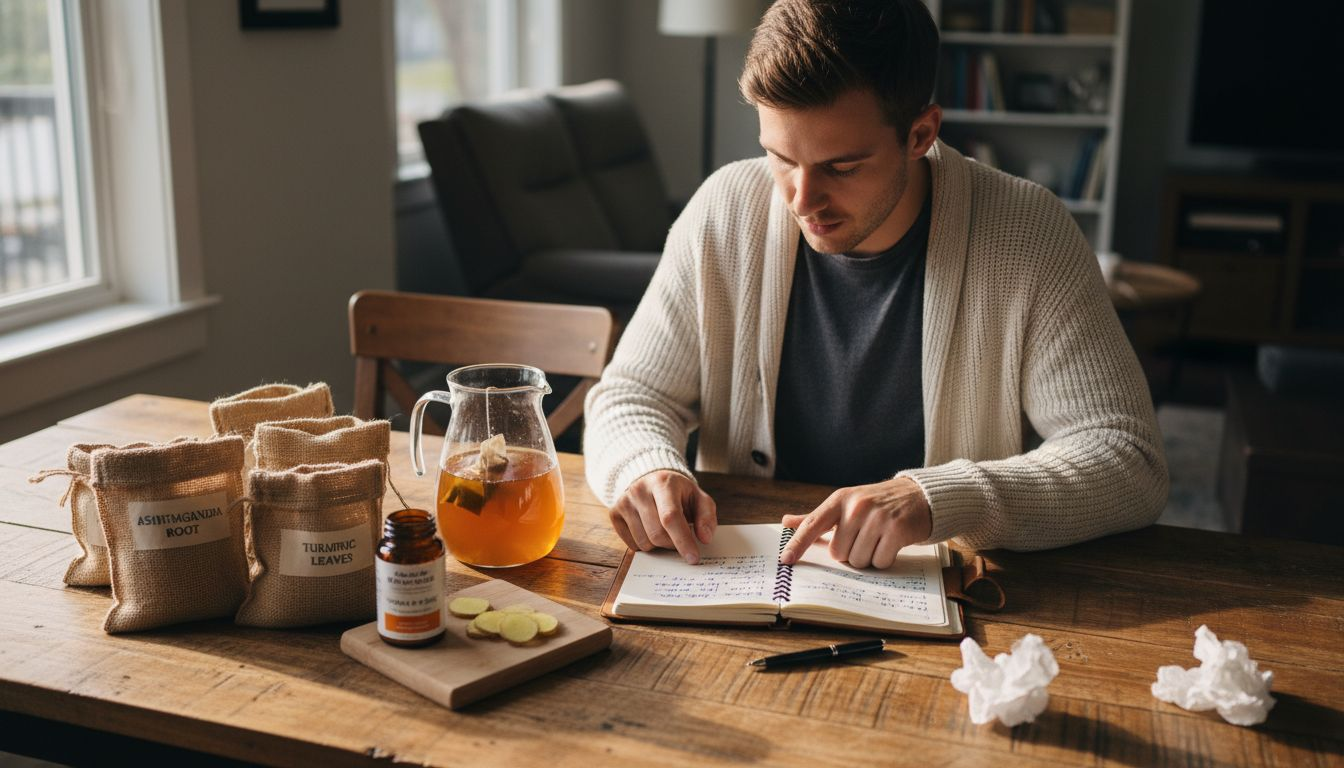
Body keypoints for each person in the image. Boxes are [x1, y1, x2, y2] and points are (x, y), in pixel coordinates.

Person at [583, 0, 1168, 568]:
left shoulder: (1028, 233)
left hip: (956, 597)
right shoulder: (723, 211)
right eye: (780, 157)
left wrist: (937, 498)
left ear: (921, 134)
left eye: (841, 167)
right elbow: (632, 395)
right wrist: (645, 468)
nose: (801, 200)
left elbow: (1127, 457)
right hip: (746, 576)